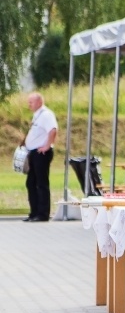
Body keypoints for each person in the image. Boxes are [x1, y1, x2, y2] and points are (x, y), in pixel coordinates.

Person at [23, 92, 58, 222]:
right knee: (31, 182)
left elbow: (53, 130)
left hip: (41, 154)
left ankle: (43, 214)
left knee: (41, 183)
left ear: (39, 102)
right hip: (33, 152)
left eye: (31, 102)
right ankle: (34, 212)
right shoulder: (37, 116)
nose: (29, 105)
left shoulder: (46, 115)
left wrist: (47, 146)